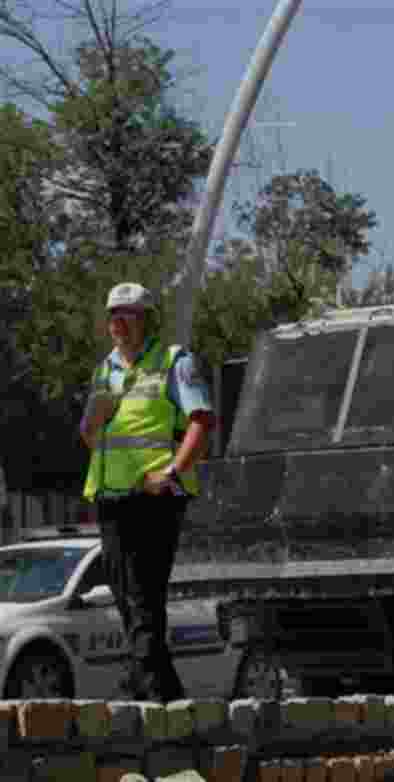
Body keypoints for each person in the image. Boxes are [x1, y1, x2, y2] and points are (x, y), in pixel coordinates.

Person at [79, 282, 216, 702]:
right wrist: (93, 420)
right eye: (112, 315)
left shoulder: (174, 361)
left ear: (145, 319)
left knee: (142, 599)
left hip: (156, 498)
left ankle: (149, 697)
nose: (117, 322)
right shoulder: (106, 370)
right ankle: (160, 689)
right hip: (111, 497)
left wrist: (172, 472)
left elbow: (201, 422)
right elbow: (90, 437)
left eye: (127, 314)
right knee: (129, 601)